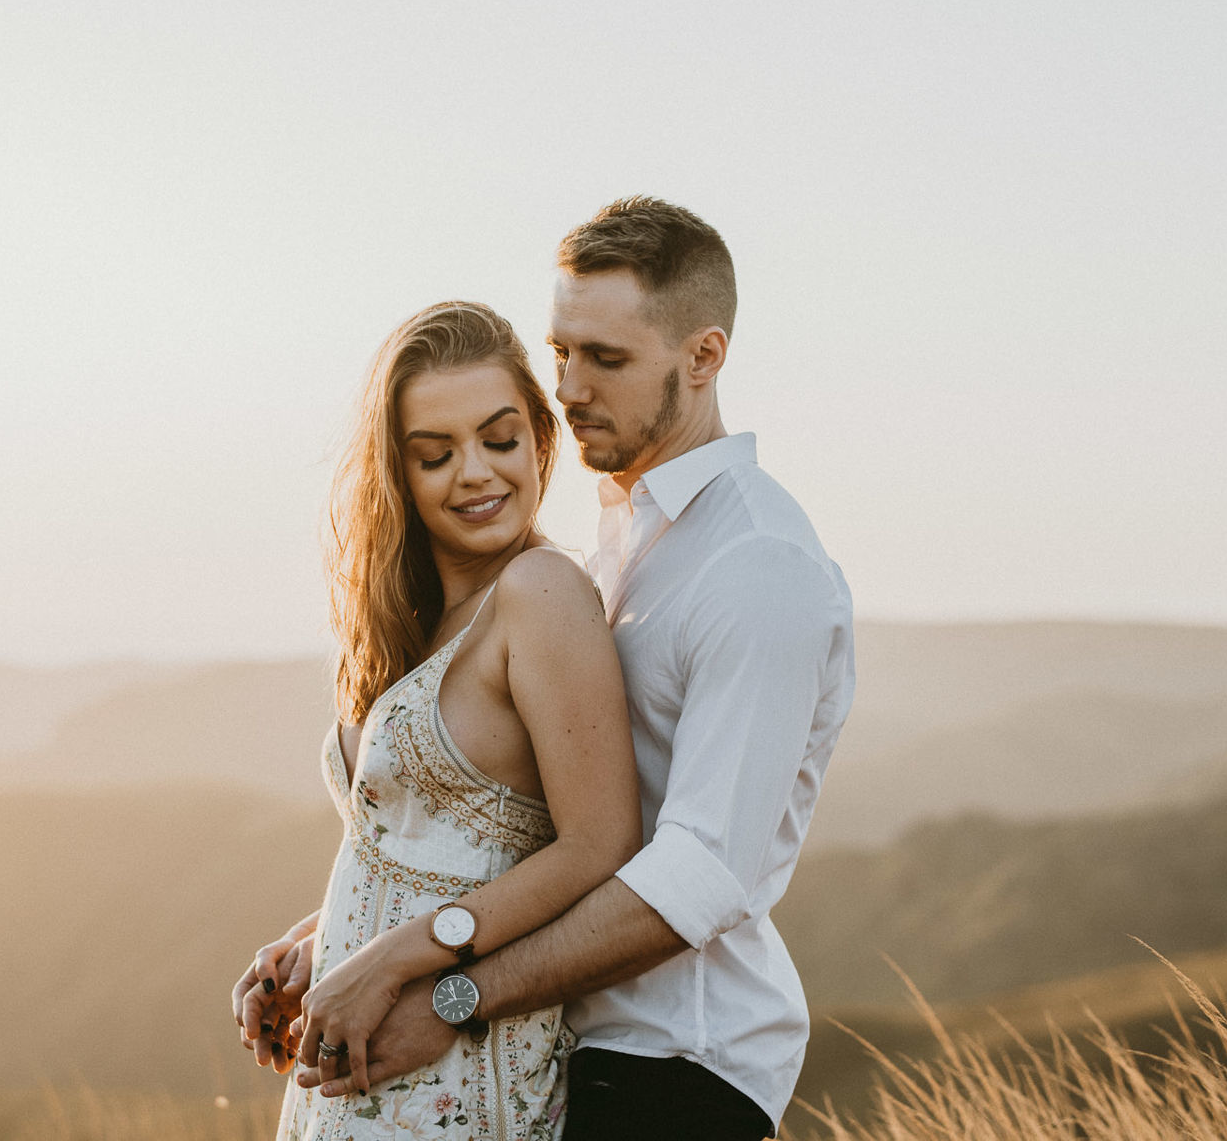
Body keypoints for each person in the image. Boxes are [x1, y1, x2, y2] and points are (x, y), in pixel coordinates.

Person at [296, 197, 856, 1140]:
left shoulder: (758, 568)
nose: (569, 386)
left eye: (607, 358)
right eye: (561, 353)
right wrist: (331, 947)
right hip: (571, 1047)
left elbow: (696, 878)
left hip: (677, 1066)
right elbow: (508, 828)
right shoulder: (618, 550)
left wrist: (442, 996)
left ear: (704, 357)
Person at [234, 300, 642, 1140]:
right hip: (355, 1069)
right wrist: (316, 943)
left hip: (455, 1078)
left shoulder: (542, 596)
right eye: (435, 454)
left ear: (540, 438)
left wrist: (386, 962)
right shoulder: (416, 621)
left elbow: (599, 846)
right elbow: (435, 849)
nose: (476, 474)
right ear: (399, 471)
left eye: (499, 440)